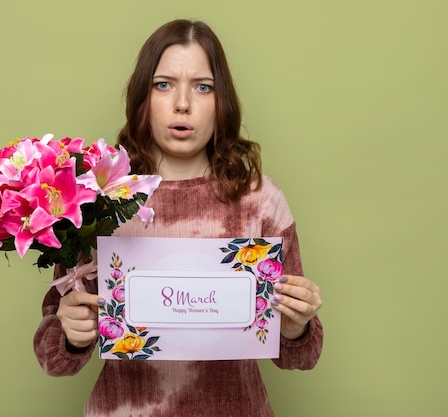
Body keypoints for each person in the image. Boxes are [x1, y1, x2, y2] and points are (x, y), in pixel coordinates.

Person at [34, 19, 323, 416]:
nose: (182, 103)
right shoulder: (97, 201)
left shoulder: (260, 200)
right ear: (142, 97)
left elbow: (300, 356)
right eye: (164, 84)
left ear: (222, 101)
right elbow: (54, 358)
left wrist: (296, 326)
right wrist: (71, 333)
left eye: (203, 87)